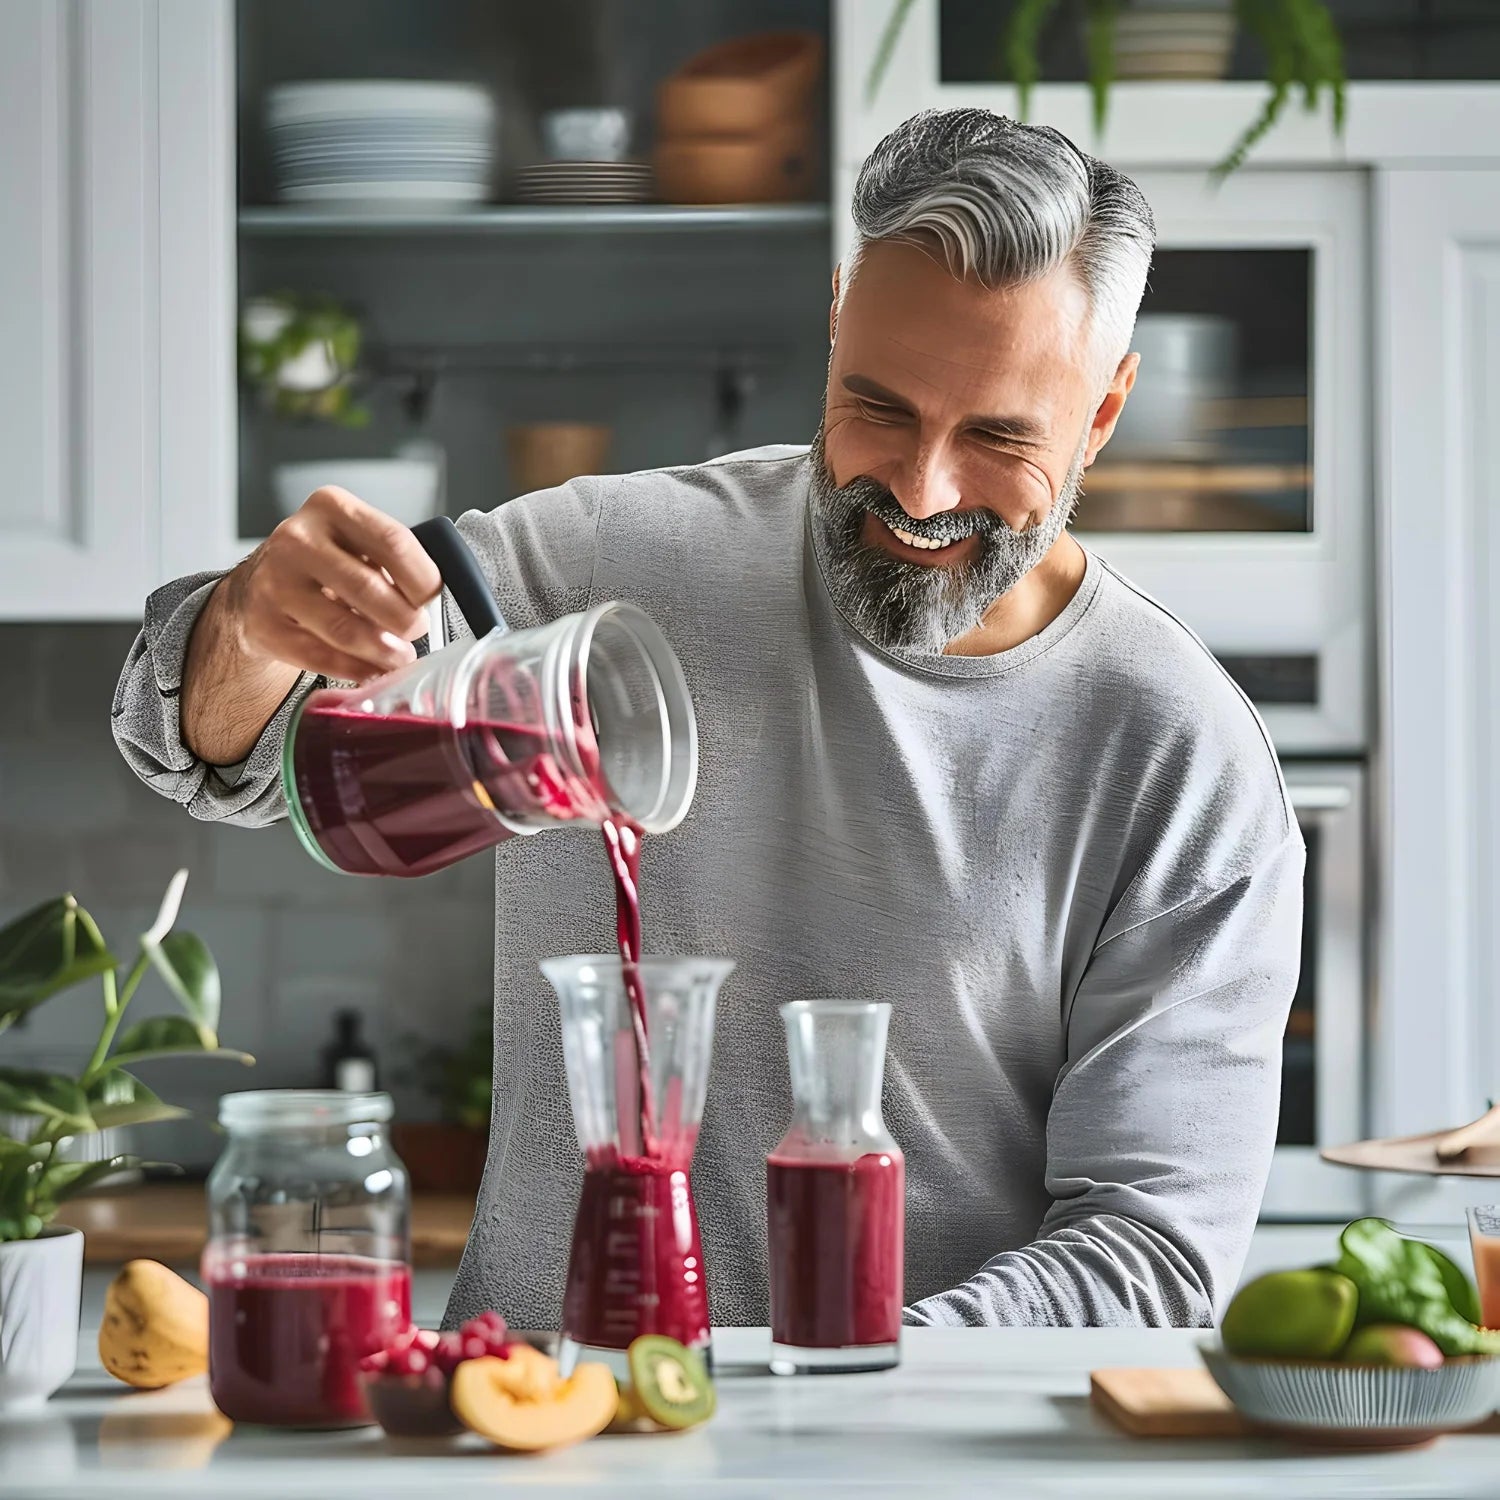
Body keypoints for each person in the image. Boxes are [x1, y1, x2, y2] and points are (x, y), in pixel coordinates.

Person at [113, 108, 1303, 1329]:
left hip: (923, 1449)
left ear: (1104, 412)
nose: (921, 489)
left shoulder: (1178, 755)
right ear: (838, 316)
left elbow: (1149, 1248)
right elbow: (238, 757)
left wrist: (822, 1386)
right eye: (878, 409)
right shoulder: (612, 557)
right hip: (544, 1423)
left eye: (999, 436)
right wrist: (251, 630)